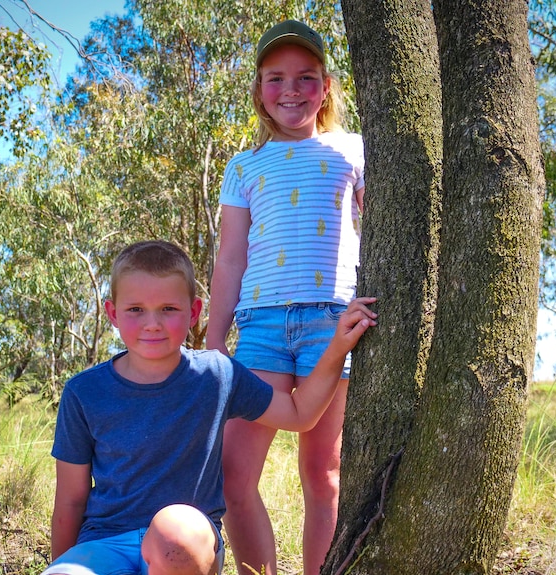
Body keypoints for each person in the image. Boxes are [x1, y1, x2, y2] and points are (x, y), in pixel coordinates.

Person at [42, 240, 376, 575]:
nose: (152, 323)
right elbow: (70, 501)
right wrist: (62, 565)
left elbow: (299, 414)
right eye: (135, 310)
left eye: (169, 309)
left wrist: (337, 347)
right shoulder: (84, 392)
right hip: (106, 544)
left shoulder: (215, 375)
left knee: (174, 534)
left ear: (194, 312)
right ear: (112, 313)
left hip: (188, 544)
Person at [206, 19, 365, 575]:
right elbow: (231, 258)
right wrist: (213, 339)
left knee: (323, 472)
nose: (291, 90)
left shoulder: (353, 149)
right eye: (276, 79)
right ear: (258, 90)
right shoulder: (244, 166)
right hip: (262, 329)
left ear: (325, 87)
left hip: (332, 325)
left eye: (306, 77)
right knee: (233, 474)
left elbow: (380, 226)